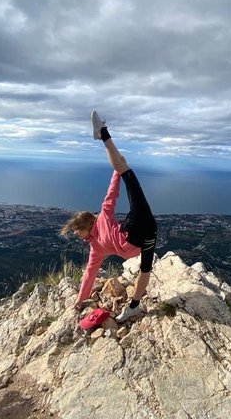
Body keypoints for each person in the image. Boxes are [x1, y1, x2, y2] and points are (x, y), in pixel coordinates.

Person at [61, 111, 157, 322]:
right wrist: (80, 300)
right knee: (126, 173)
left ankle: (103, 133)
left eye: (77, 230)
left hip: (139, 230)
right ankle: (102, 132)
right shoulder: (95, 247)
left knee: (146, 270)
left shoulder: (102, 220)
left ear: (87, 224)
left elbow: (112, 192)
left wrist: (117, 171)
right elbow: (89, 275)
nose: (77, 234)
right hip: (143, 232)